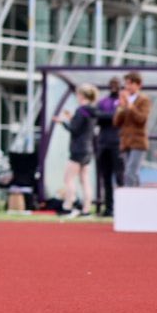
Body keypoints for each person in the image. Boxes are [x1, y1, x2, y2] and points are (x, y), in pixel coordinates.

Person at [53, 84, 98, 217]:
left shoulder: (81, 110)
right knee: (84, 179)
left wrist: (63, 122)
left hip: (78, 149)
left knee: (68, 178)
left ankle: (68, 206)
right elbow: (82, 126)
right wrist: (71, 118)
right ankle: (86, 209)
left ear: (82, 95)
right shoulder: (92, 110)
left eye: (78, 95)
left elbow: (74, 129)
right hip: (88, 148)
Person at [114, 71, 151, 187]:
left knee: (130, 172)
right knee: (133, 173)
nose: (127, 87)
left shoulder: (143, 100)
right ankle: (138, 198)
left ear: (138, 85)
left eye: (130, 84)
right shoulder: (125, 102)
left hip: (138, 142)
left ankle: (128, 198)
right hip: (126, 142)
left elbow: (141, 119)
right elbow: (116, 122)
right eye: (126, 84)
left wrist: (130, 105)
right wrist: (121, 107)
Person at [94, 77, 123, 216]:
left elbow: (120, 117)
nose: (114, 87)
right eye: (111, 85)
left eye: (116, 85)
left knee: (120, 176)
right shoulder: (103, 101)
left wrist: (111, 117)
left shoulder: (122, 101)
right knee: (105, 177)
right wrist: (112, 117)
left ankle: (123, 207)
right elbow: (97, 115)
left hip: (118, 142)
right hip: (103, 143)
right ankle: (108, 207)